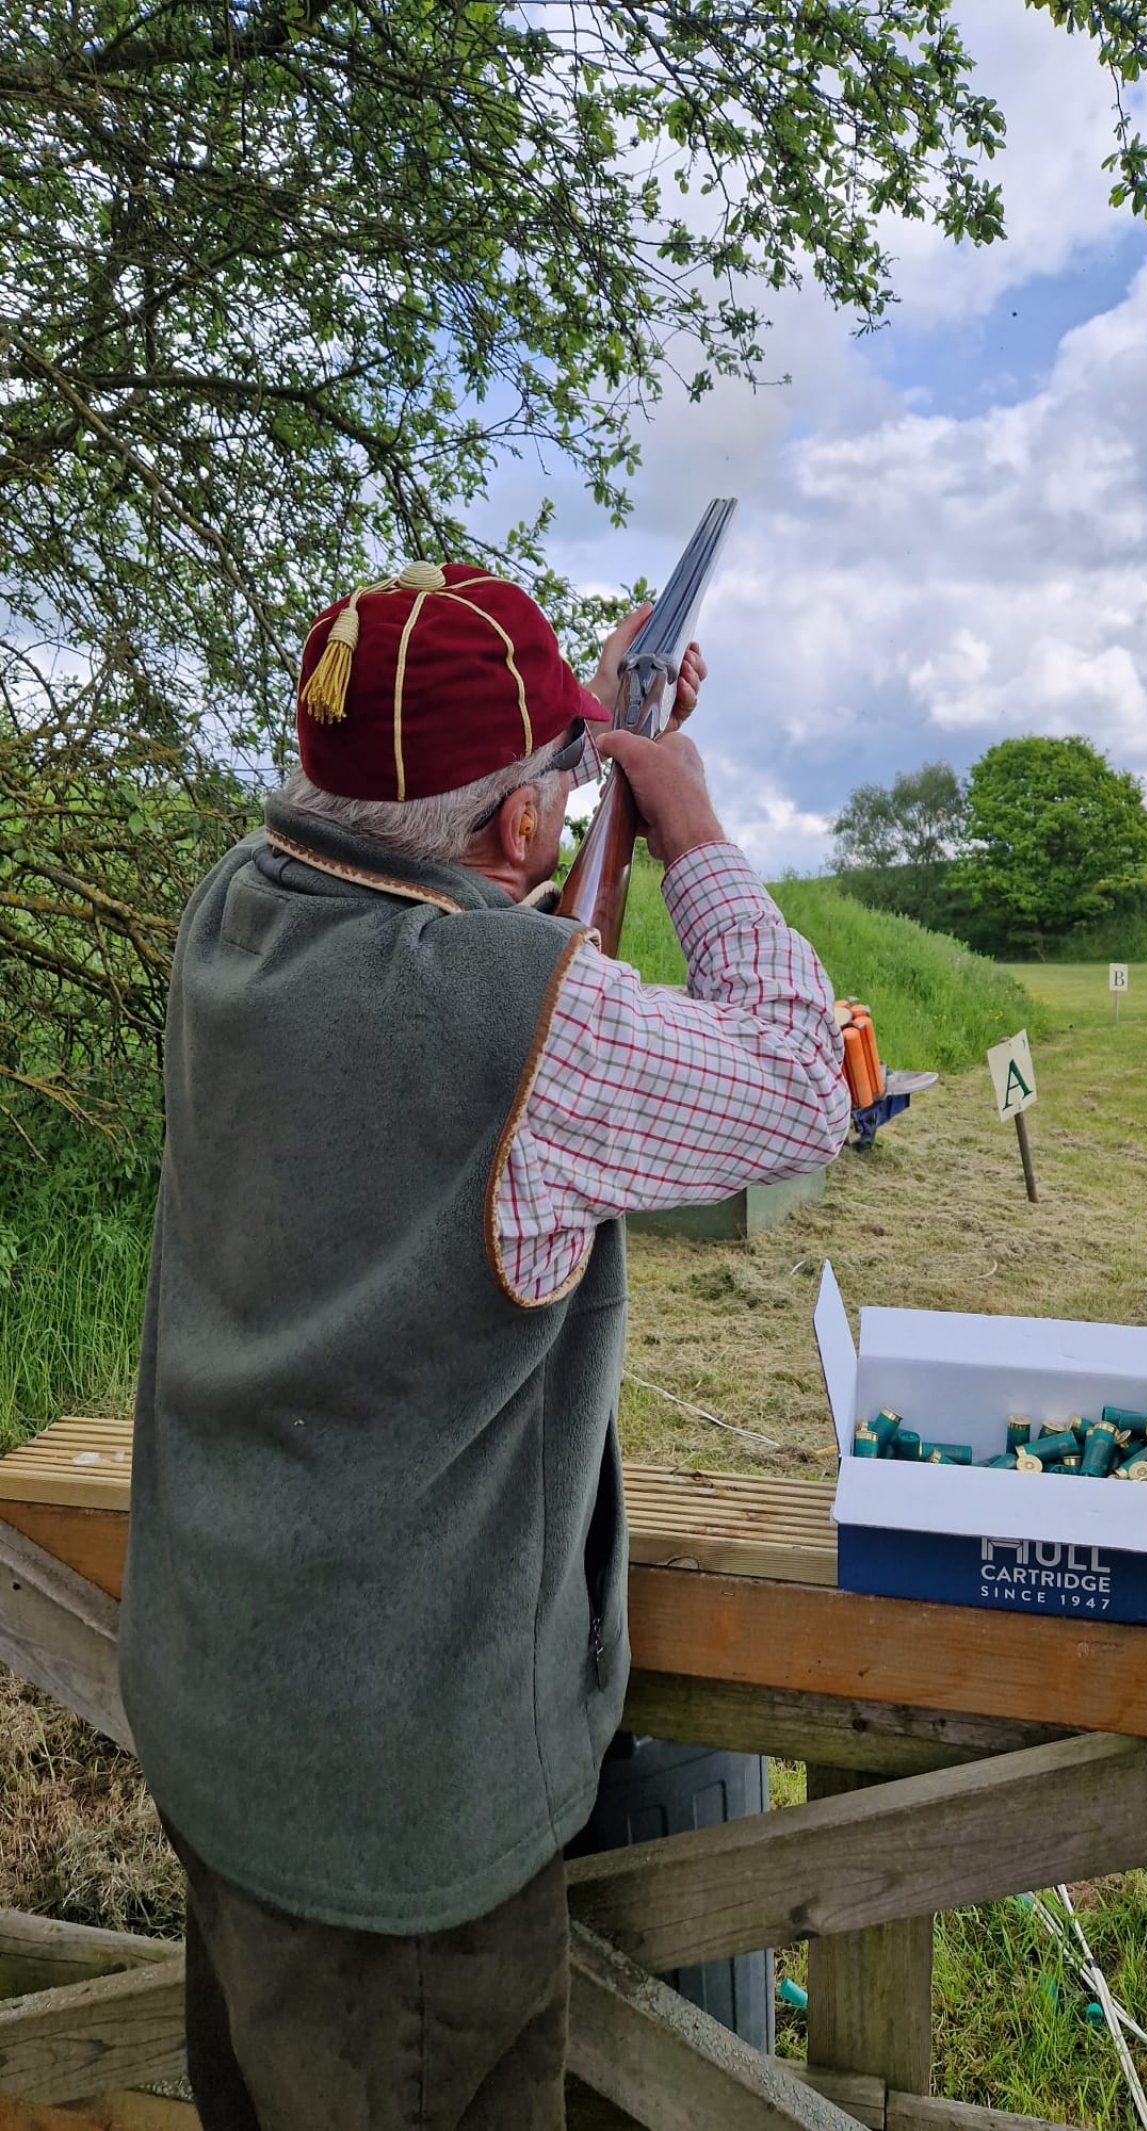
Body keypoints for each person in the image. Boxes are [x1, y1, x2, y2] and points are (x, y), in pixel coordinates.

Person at [118, 558, 849, 2131]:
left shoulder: (231, 908)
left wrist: (581, 749)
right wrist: (693, 827)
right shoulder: (517, 1018)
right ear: (521, 832)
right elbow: (801, 1087)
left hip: (216, 1721)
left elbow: (473, 938)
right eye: (551, 791)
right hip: (401, 1840)